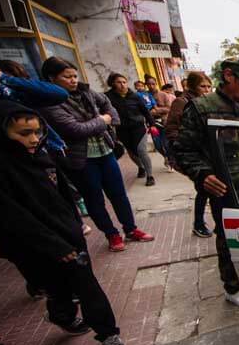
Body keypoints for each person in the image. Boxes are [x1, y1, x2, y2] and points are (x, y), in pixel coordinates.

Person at [0, 101, 128, 345]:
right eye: (23, 134)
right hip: (32, 244)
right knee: (56, 287)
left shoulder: (43, 158)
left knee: (86, 285)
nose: (33, 139)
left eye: (37, 132)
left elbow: (63, 194)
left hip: (68, 236)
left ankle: (108, 334)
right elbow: (10, 216)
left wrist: (75, 225)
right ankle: (61, 314)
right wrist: (55, 246)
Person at [174, 58, 239, 308]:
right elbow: (183, 150)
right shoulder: (201, 108)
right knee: (230, 238)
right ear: (229, 76)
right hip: (227, 189)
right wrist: (202, 175)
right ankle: (233, 287)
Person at [40, 56, 154, 252]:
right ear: (52, 79)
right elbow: (75, 129)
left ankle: (131, 229)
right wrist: (103, 121)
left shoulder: (87, 92)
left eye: (75, 75)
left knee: (119, 195)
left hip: (105, 151)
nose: (73, 80)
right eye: (67, 77)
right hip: (81, 159)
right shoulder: (50, 103)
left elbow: (108, 104)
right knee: (94, 200)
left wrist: (109, 118)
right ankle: (112, 234)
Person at [165, 71, 214, 238]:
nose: (206, 90)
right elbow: (172, 129)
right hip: (193, 155)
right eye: (203, 86)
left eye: (209, 86)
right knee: (204, 188)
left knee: (207, 190)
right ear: (193, 86)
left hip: (208, 152)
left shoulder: (208, 102)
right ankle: (198, 223)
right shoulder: (182, 102)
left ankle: (202, 223)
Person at [105, 73, 156, 186]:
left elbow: (145, 112)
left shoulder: (135, 96)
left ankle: (150, 176)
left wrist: (152, 124)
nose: (123, 85)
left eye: (124, 82)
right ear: (113, 83)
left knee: (141, 151)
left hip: (138, 128)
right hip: (122, 130)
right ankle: (141, 167)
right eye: (119, 82)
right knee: (132, 153)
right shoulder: (108, 97)